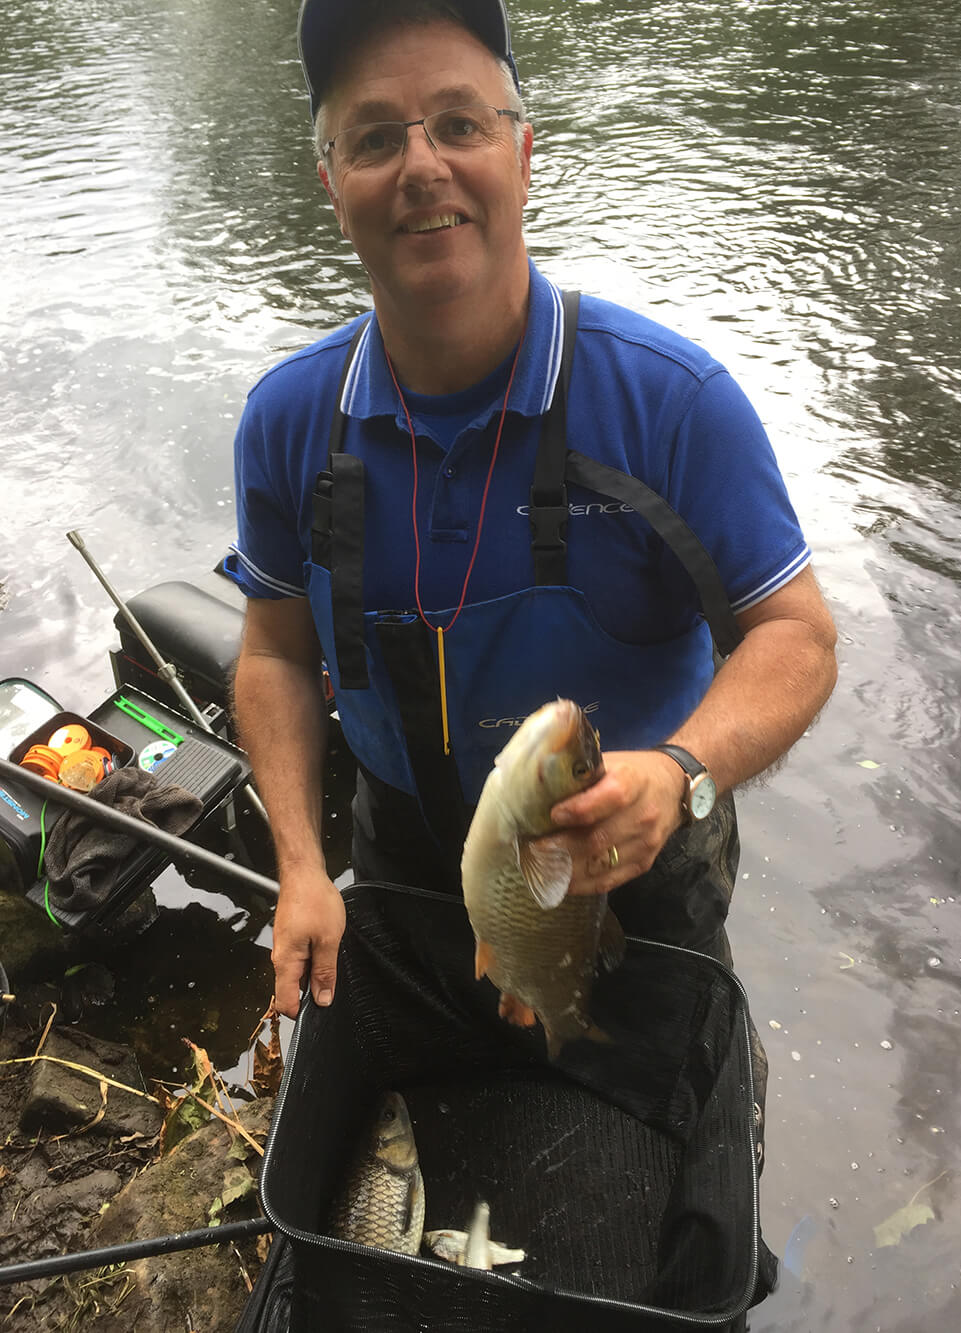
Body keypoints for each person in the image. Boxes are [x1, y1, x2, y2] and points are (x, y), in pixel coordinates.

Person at [225, 0, 838, 1044]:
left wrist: (680, 773)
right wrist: (296, 867)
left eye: (459, 123)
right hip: (409, 858)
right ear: (331, 184)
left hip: (638, 866)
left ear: (523, 151)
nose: (422, 166)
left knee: (652, 1128)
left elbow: (798, 636)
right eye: (375, 138)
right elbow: (275, 652)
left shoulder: (670, 402)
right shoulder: (290, 421)